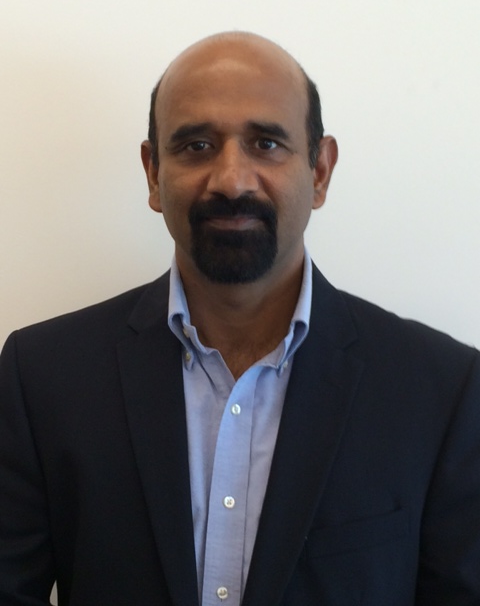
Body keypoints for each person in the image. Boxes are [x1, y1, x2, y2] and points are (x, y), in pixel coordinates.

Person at [0, 31, 479, 606]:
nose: (231, 179)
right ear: (153, 174)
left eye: (266, 144)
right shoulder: (41, 376)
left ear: (320, 171)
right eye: (196, 146)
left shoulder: (442, 392)